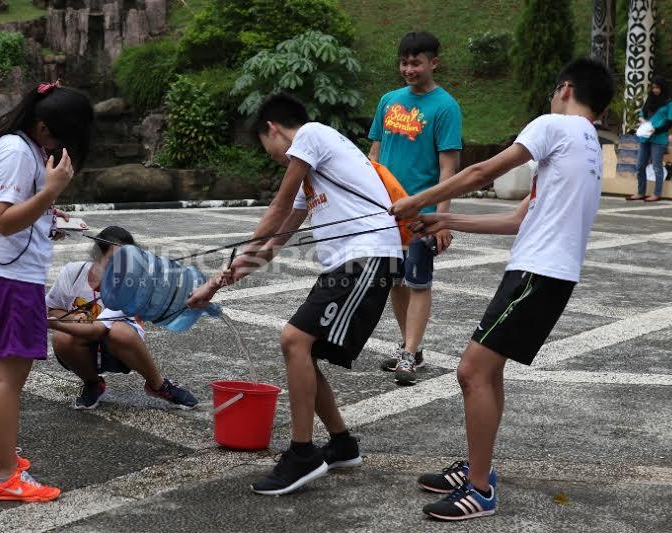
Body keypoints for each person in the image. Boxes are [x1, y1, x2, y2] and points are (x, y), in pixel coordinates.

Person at [390, 57, 614, 521]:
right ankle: (479, 468)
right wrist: (445, 219)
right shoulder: (590, 146)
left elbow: (481, 173)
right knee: (488, 373)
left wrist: (417, 199)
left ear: (565, 88)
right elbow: (518, 220)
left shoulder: (555, 125)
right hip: (542, 274)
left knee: (470, 372)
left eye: (555, 92)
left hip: (538, 275)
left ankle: (479, 490)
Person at [188, 94, 404, 496]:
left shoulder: (312, 135)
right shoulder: (313, 175)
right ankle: (341, 443)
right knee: (303, 350)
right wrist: (216, 283)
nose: (270, 155)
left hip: (368, 257)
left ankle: (302, 453)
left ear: (273, 129)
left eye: (264, 145)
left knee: (293, 340)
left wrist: (243, 245)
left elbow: (277, 206)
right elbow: (276, 241)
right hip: (350, 263)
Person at [0, 82, 94, 502]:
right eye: (61, 136)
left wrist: (48, 209)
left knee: (9, 373)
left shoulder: (19, 144)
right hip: (8, 279)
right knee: (7, 376)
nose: (63, 145)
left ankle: (6, 459)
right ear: (42, 126)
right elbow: (6, 220)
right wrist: (52, 189)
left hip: (2, 273)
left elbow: (19, 212)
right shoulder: (20, 152)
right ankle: (5, 477)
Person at [367, 31, 462, 385]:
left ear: (433, 62)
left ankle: (409, 353)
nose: (409, 69)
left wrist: (442, 219)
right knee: (396, 282)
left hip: (422, 213)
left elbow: (448, 169)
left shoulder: (445, 107)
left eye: (416, 62)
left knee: (419, 282)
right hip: (386, 211)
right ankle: (411, 345)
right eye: (404, 62)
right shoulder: (388, 100)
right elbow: (373, 156)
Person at [46, 225, 198, 410]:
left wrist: (53, 324)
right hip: (83, 349)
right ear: (98, 256)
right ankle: (93, 384)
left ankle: (158, 385)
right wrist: (67, 319)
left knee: (118, 332)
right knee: (62, 339)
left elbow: (97, 330)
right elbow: (53, 308)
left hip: (119, 351)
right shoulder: (72, 273)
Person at [628, 75, 672, 202]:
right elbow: (642, 113)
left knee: (656, 167)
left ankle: (656, 194)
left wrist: (656, 129)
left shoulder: (670, 104)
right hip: (645, 137)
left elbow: (671, 122)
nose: (655, 90)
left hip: (659, 139)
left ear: (663, 88)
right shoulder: (650, 99)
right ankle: (640, 192)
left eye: (657, 88)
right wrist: (643, 121)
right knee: (640, 165)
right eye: (653, 87)